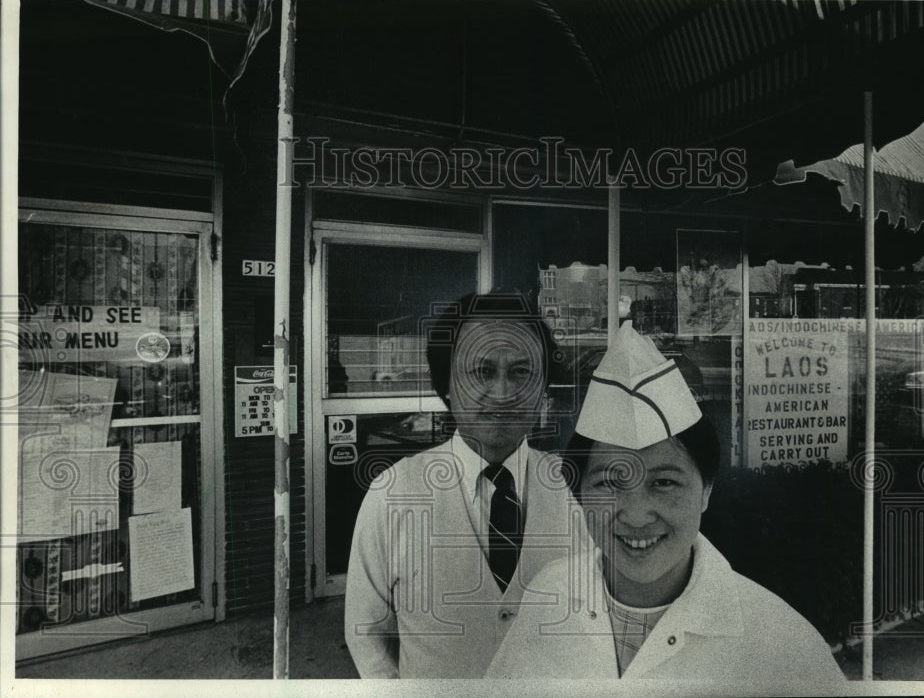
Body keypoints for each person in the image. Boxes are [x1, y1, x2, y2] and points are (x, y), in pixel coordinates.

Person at [487, 322, 845, 684]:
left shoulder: (782, 645)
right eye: (610, 482)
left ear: (706, 489)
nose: (637, 514)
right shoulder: (549, 594)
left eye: (663, 482)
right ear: (579, 494)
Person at [345, 291, 580, 678]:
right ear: (448, 385)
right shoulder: (394, 494)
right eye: (482, 372)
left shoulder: (572, 490)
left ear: (542, 390)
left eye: (521, 372)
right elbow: (368, 634)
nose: (503, 394)